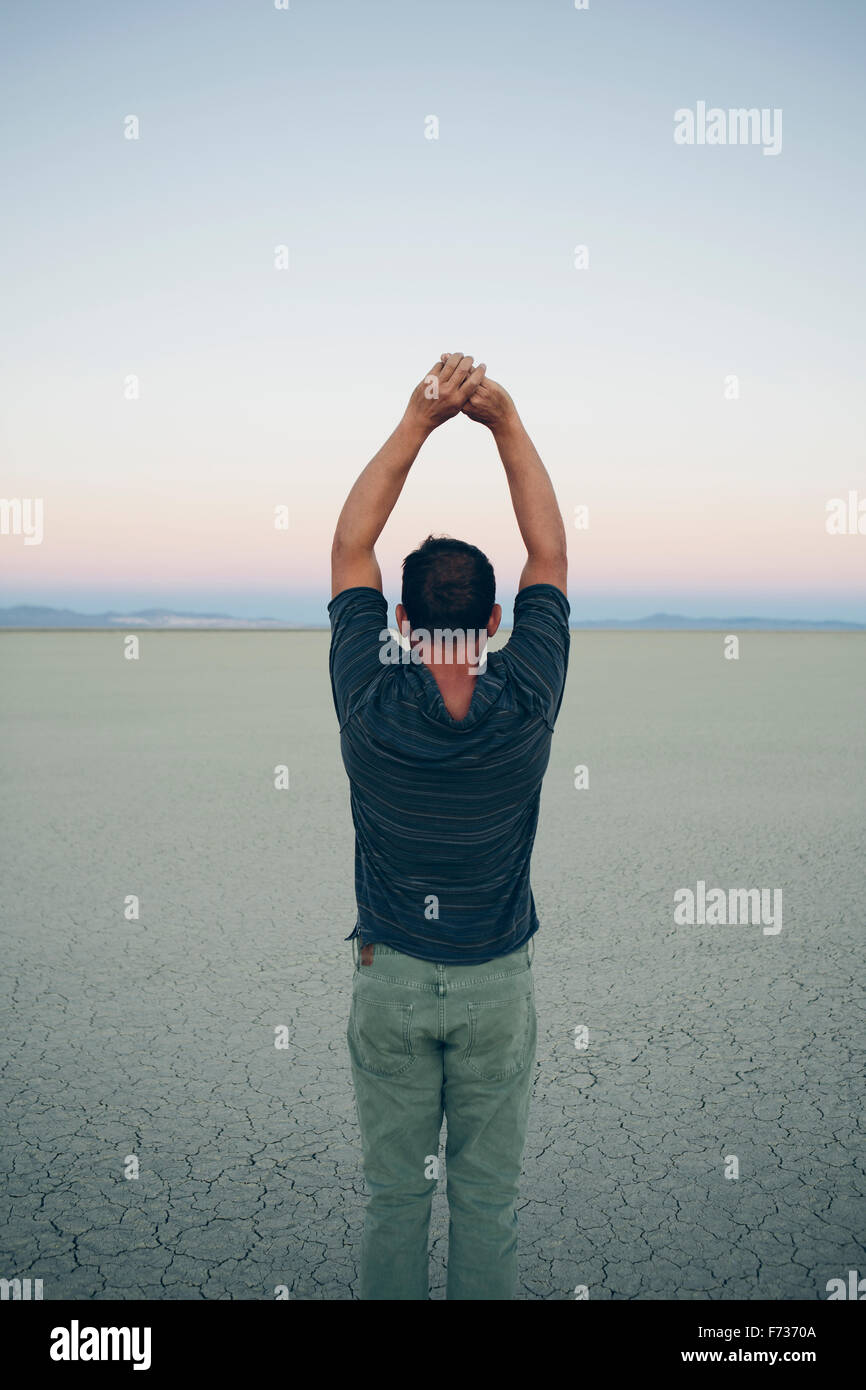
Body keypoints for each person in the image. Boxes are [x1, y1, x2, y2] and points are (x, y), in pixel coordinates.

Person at [328, 352, 570, 1299]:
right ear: (502, 616)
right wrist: (503, 419)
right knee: (488, 1202)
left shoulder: (367, 702)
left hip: (389, 979)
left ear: (396, 616)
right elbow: (549, 553)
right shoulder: (528, 700)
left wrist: (418, 421)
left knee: (395, 1200)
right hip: (496, 986)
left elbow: (351, 545)